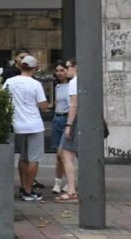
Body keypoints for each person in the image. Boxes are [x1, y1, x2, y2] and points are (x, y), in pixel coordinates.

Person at [4, 55, 48, 201]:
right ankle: (28, 191)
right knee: (34, 159)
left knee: (23, 158)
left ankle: (23, 187)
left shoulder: (10, 81)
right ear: (33, 69)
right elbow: (44, 106)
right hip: (34, 125)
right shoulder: (35, 84)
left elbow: (2, 98)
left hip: (17, 124)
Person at [56, 58, 79, 202]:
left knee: (66, 155)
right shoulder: (85, 81)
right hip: (86, 121)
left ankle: (71, 191)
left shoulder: (74, 82)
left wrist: (68, 126)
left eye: (68, 67)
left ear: (76, 67)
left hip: (76, 121)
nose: (66, 70)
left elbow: (74, 105)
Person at [51, 61, 71, 194]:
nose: (59, 73)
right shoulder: (57, 86)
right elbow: (57, 103)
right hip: (57, 119)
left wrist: (69, 123)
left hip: (67, 120)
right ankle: (58, 183)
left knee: (62, 154)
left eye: (62, 70)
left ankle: (70, 182)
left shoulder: (73, 85)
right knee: (59, 156)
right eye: (57, 70)